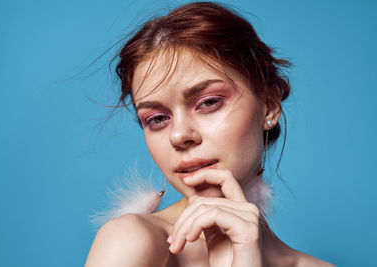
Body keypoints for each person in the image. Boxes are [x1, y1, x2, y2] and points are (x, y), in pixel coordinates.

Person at [85, 2, 334, 266]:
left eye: (208, 102)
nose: (179, 136)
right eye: (157, 119)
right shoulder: (131, 241)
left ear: (269, 106)